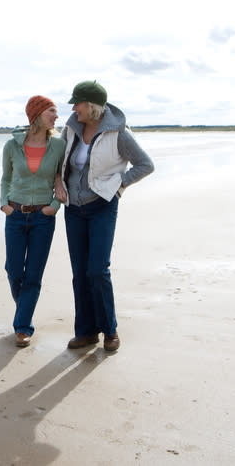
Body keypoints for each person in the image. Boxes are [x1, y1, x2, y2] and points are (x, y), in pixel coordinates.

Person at [55, 80, 154, 352]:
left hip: (102, 205)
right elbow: (58, 160)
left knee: (97, 270)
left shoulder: (118, 133)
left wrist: (119, 185)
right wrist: (58, 183)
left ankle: (110, 330)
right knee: (80, 273)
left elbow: (146, 164)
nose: (73, 108)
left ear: (92, 105)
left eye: (77, 103)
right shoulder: (71, 128)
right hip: (74, 209)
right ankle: (86, 332)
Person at [0, 95, 66, 348]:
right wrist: (4, 204)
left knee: (33, 276)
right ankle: (25, 309)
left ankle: (23, 327)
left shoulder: (58, 146)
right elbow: (5, 178)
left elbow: (63, 177)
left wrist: (54, 206)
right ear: (37, 114)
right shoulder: (11, 146)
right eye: (51, 110)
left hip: (43, 217)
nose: (56, 116)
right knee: (14, 271)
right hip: (15, 215)